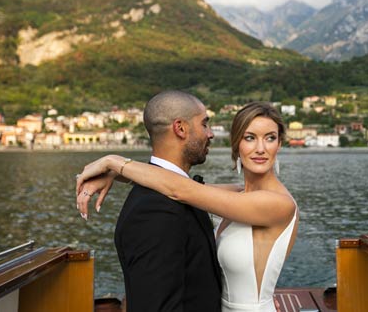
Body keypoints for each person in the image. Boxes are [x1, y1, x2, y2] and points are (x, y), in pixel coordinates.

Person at [77, 100, 298, 312]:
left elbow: (181, 190)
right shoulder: (239, 194)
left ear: (279, 144)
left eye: (270, 138)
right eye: (250, 138)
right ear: (237, 143)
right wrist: (116, 175)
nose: (260, 148)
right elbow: (175, 183)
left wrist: (113, 162)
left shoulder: (279, 203)